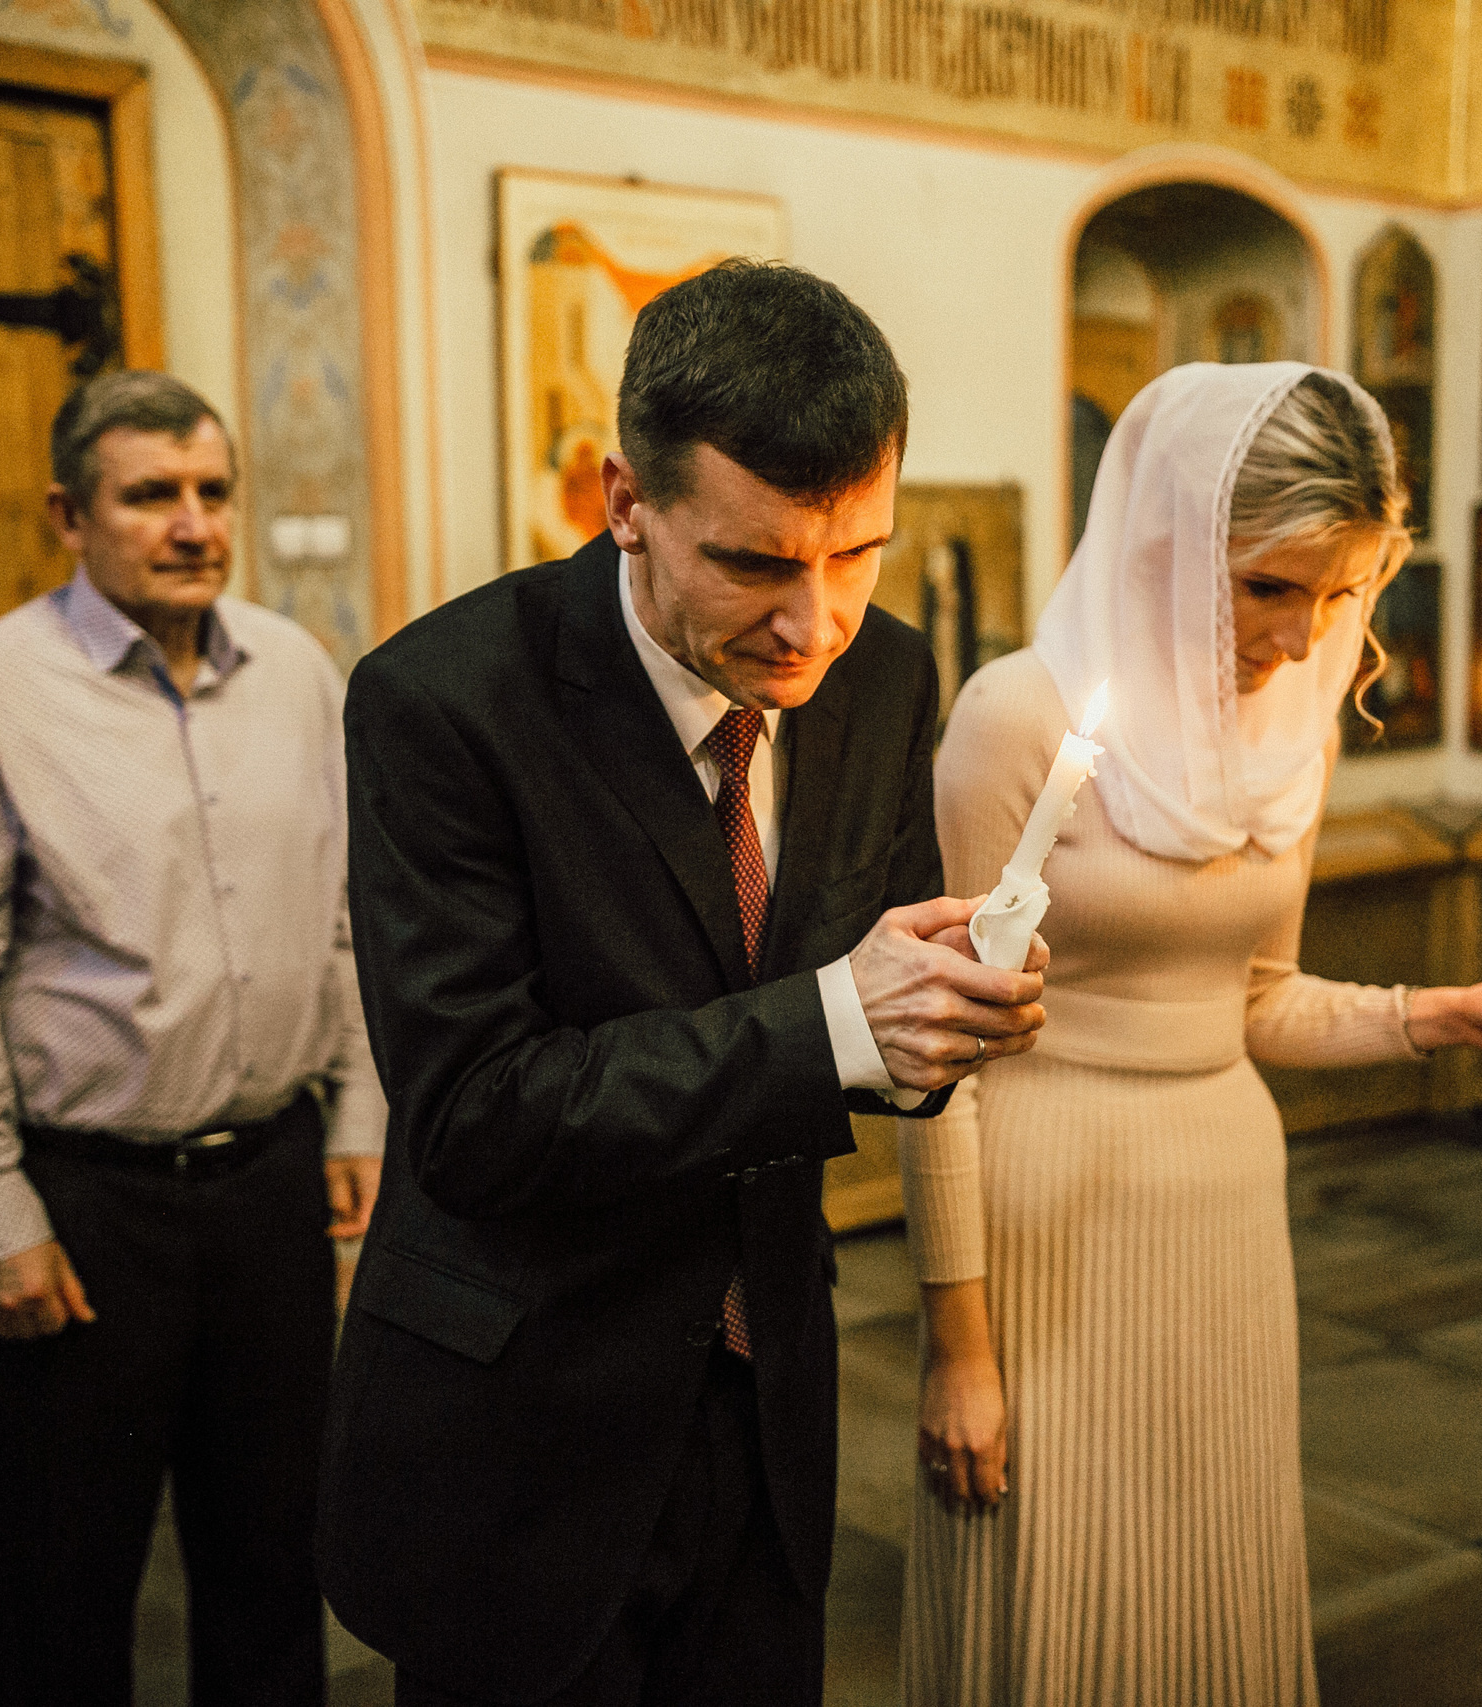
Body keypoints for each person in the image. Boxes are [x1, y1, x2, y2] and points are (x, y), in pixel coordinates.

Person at [318, 260, 1048, 1707]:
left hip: (766, 1386)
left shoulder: (885, 677)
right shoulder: (444, 702)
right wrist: (845, 1019)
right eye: (759, 564)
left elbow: (868, 983)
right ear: (625, 504)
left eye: (860, 554)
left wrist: (947, 1012)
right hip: (525, 1418)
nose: (815, 623)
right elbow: (473, 1113)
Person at [899, 363, 1482, 1705]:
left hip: (1223, 1202)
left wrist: (1447, 1017)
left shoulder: (1286, 724)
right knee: (1059, 1593)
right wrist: (959, 1347)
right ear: (1166, 538)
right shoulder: (1016, 718)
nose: (1305, 635)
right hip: (1050, 1213)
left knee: (1202, 1585)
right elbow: (939, 1064)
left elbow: (1255, 996)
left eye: (1342, 593)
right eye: (1269, 585)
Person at [0, 371, 385, 1706]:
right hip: (87, 1203)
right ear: (69, 514)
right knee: (62, 1584)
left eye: (212, 492)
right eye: (151, 495)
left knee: (277, 1563)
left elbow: (343, 905)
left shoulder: (296, 672)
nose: (193, 523)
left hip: (272, 1183)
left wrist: (358, 1110)